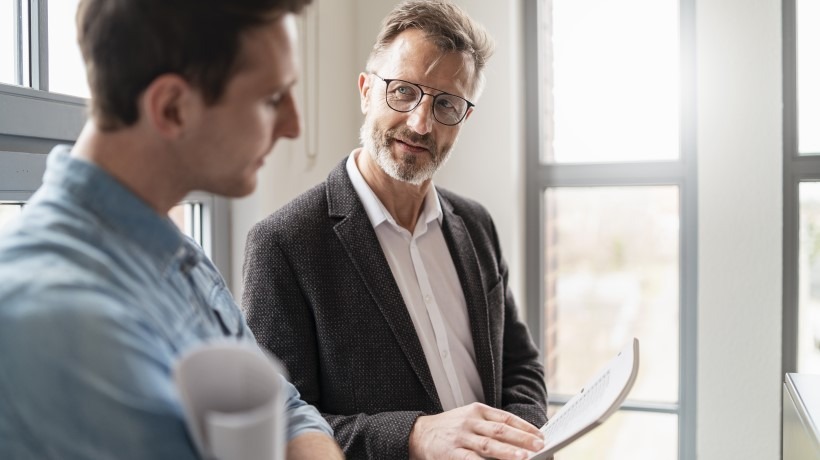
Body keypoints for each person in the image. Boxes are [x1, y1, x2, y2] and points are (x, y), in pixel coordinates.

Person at [0, 1, 344, 459]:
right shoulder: (56, 323)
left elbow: (284, 408)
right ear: (173, 108)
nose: (293, 125)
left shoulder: (175, 252)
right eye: (271, 99)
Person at [242, 1, 548, 459]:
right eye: (403, 91)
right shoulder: (284, 244)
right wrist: (416, 436)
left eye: (446, 104)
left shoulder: (476, 224)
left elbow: (520, 364)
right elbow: (278, 425)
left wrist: (518, 442)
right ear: (366, 91)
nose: (420, 123)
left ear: (464, 120)